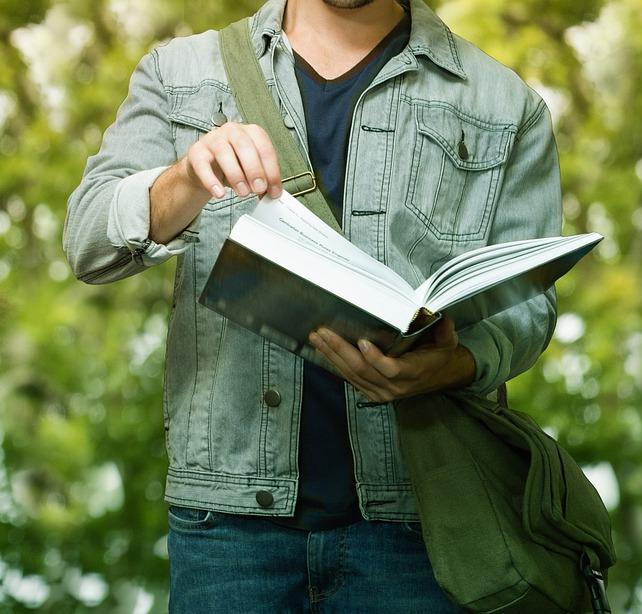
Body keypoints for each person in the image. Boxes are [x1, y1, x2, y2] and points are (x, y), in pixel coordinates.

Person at [63, 0, 561, 610]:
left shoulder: (507, 105)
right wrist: (186, 178)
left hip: (421, 526)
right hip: (227, 532)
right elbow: (88, 241)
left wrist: (454, 365)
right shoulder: (180, 73)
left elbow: (527, 309)